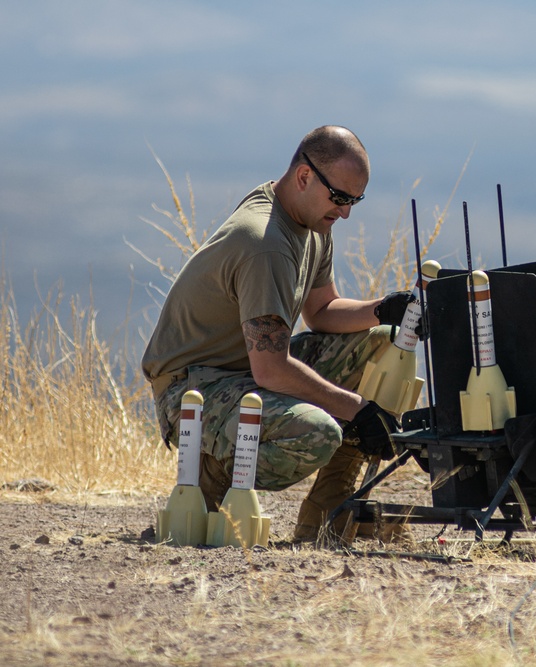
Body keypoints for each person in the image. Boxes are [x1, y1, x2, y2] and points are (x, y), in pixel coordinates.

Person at [142, 125, 413, 544]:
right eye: (339, 198)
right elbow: (270, 369)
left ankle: (327, 516)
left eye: (354, 201)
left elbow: (320, 311)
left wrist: (381, 311)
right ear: (305, 176)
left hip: (245, 371)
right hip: (193, 390)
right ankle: (208, 477)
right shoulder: (265, 243)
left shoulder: (308, 219)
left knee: (382, 341)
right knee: (318, 432)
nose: (345, 213)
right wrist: (357, 408)